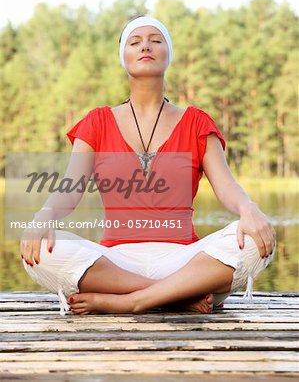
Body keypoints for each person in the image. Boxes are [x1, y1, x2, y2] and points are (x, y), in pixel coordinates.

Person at [20, 16, 276, 316]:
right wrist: (44, 214)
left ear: (168, 54)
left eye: (156, 40)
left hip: (184, 260)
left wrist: (249, 208)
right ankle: (177, 297)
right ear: (123, 56)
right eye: (135, 41)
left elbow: (227, 185)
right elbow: (69, 191)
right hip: (115, 263)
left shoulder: (196, 122)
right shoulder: (97, 122)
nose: (145, 45)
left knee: (255, 238)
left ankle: (132, 301)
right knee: (39, 250)